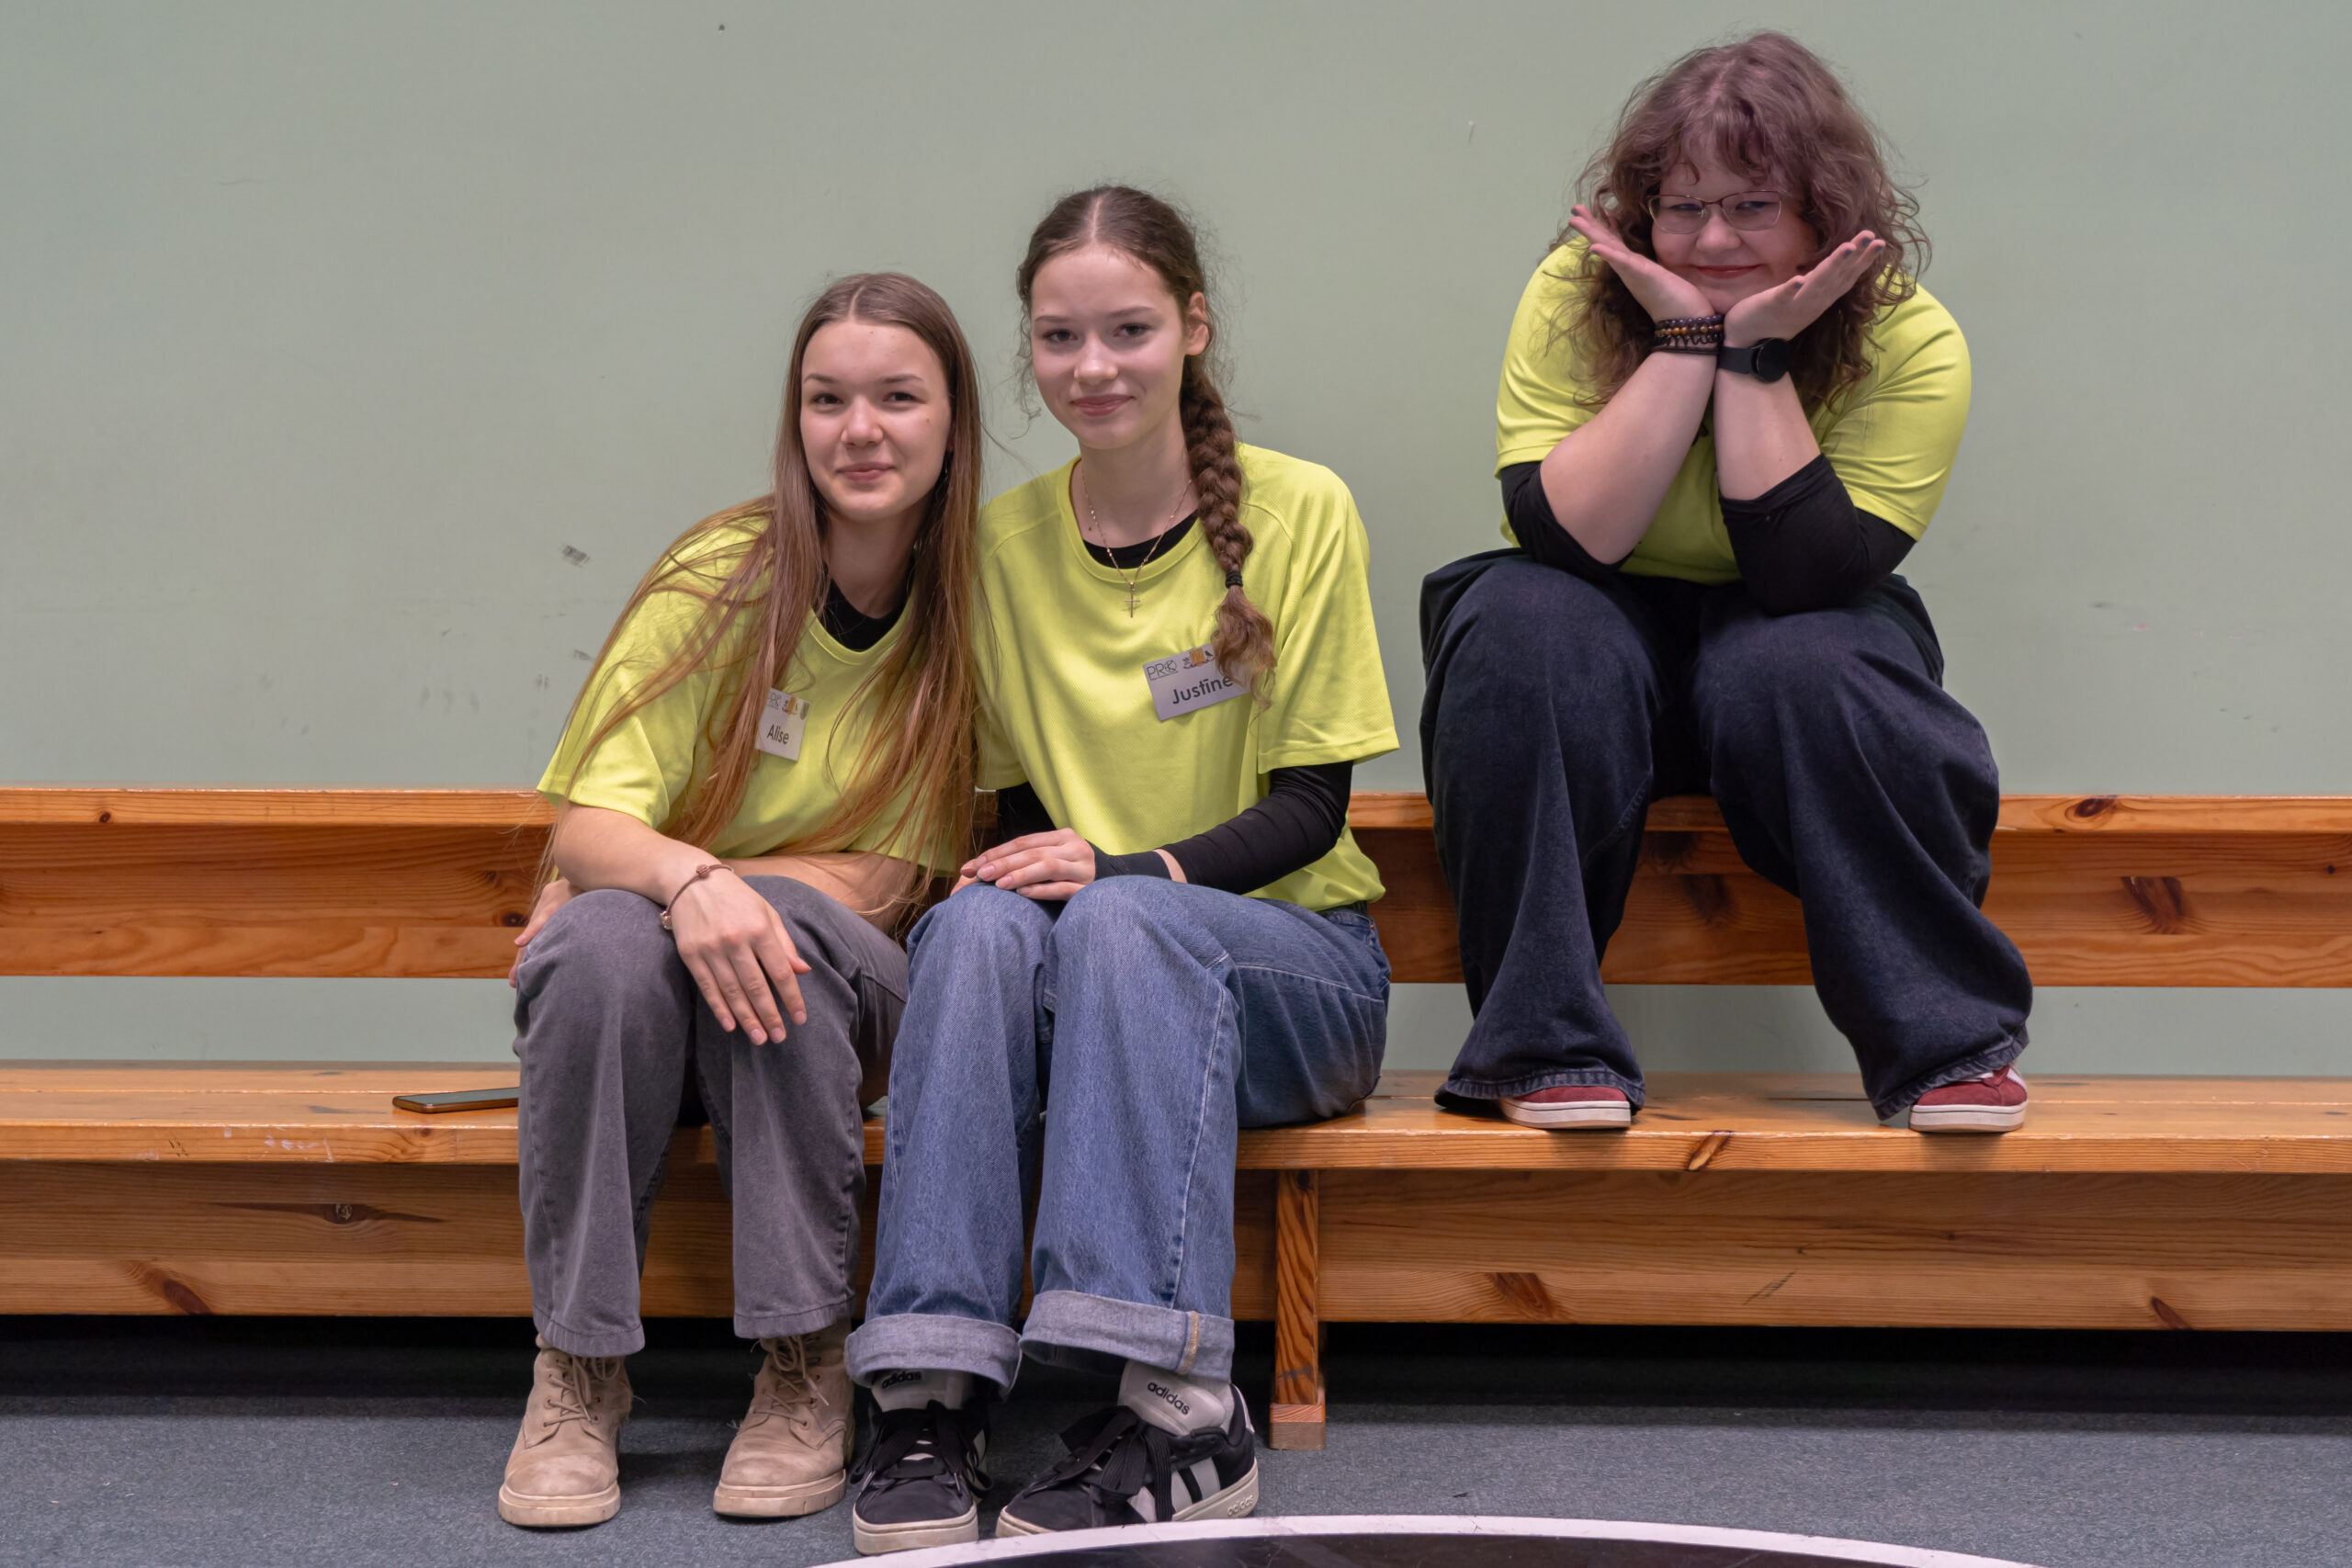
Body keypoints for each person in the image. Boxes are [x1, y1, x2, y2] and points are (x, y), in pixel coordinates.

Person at [840, 186, 1396, 1552]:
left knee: (1127, 917)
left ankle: (1185, 1414)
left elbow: (1314, 809)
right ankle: (929, 1388)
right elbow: (1022, 817)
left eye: (1129, 330)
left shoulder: (1302, 510)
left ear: (1193, 328)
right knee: (973, 927)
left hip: (1297, 977)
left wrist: (1124, 870)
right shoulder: (996, 545)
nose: (1092, 366)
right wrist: (1077, 884)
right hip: (1099, 971)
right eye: (1059, 337)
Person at [1420, 32, 2032, 1138]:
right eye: (1683, 207)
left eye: (1751, 207)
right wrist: (1686, 341)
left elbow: (1803, 577)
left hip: (1795, 632)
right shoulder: (1575, 293)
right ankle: (1540, 1044)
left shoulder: (1909, 336)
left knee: (1810, 656)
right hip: (1589, 638)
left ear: (1823, 211)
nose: (1710, 239)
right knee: (1518, 619)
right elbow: (1570, 540)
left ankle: (1946, 1042)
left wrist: (1755, 359)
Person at [496, 273, 985, 1528]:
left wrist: (699, 884)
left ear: (952, 422)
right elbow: (586, 827)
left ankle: (804, 1359)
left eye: (897, 398)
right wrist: (685, 882)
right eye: (827, 400)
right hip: (660, 1002)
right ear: (794, 419)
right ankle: (577, 1368)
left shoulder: (979, 602)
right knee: (596, 943)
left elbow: (888, 879)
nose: (859, 430)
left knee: (785, 929)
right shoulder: (721, 576)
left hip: (842, 1005)